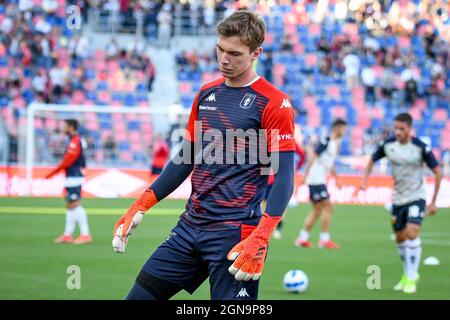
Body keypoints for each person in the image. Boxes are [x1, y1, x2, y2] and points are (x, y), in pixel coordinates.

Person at [112, 10, 295, 300]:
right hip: (188, 228)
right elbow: (185, 158)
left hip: (236, 235)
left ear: (256, 53)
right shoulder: (206, 94)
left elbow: (284, 176)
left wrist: (261, 236)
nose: (224, 59)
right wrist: (142, 203)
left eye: (234, 53)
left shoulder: (274, 103)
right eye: (220, 49)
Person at [361, 113, 442, 294]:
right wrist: (365, 180)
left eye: (401, 129)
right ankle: (407, 274)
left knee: (411, 233)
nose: (397, 132)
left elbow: (437, 172)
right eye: (395, 128)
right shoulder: (388, 145)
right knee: (400, 238)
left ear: (409, 129)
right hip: (397, 198)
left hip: (416, 196)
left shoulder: (420, 147)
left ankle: (411, 278)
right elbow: (372, 160)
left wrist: (433, 202)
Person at [295, 119, 347, 249]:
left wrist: (337, 179)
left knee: (317, 210)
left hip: (319, 179)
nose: (345, 131)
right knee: (328, 207)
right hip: (315, 179)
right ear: (337, 128)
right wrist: (306, 176)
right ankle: (324, 240)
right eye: (343, 128)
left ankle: (302, 238)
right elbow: (313, 156)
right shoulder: (327, 141)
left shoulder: (335, 143)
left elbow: (330, 164)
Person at [46, 119, 92, 245]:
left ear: (71, 127)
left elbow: (68, 160)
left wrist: (53, 172)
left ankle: (85, 234)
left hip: (74, 175)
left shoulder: (75, 140)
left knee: (75, 204)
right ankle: (67, 235)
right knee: (70, 205)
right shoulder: (75, 139)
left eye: (65, 125)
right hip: (73, 175)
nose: (63, 128)